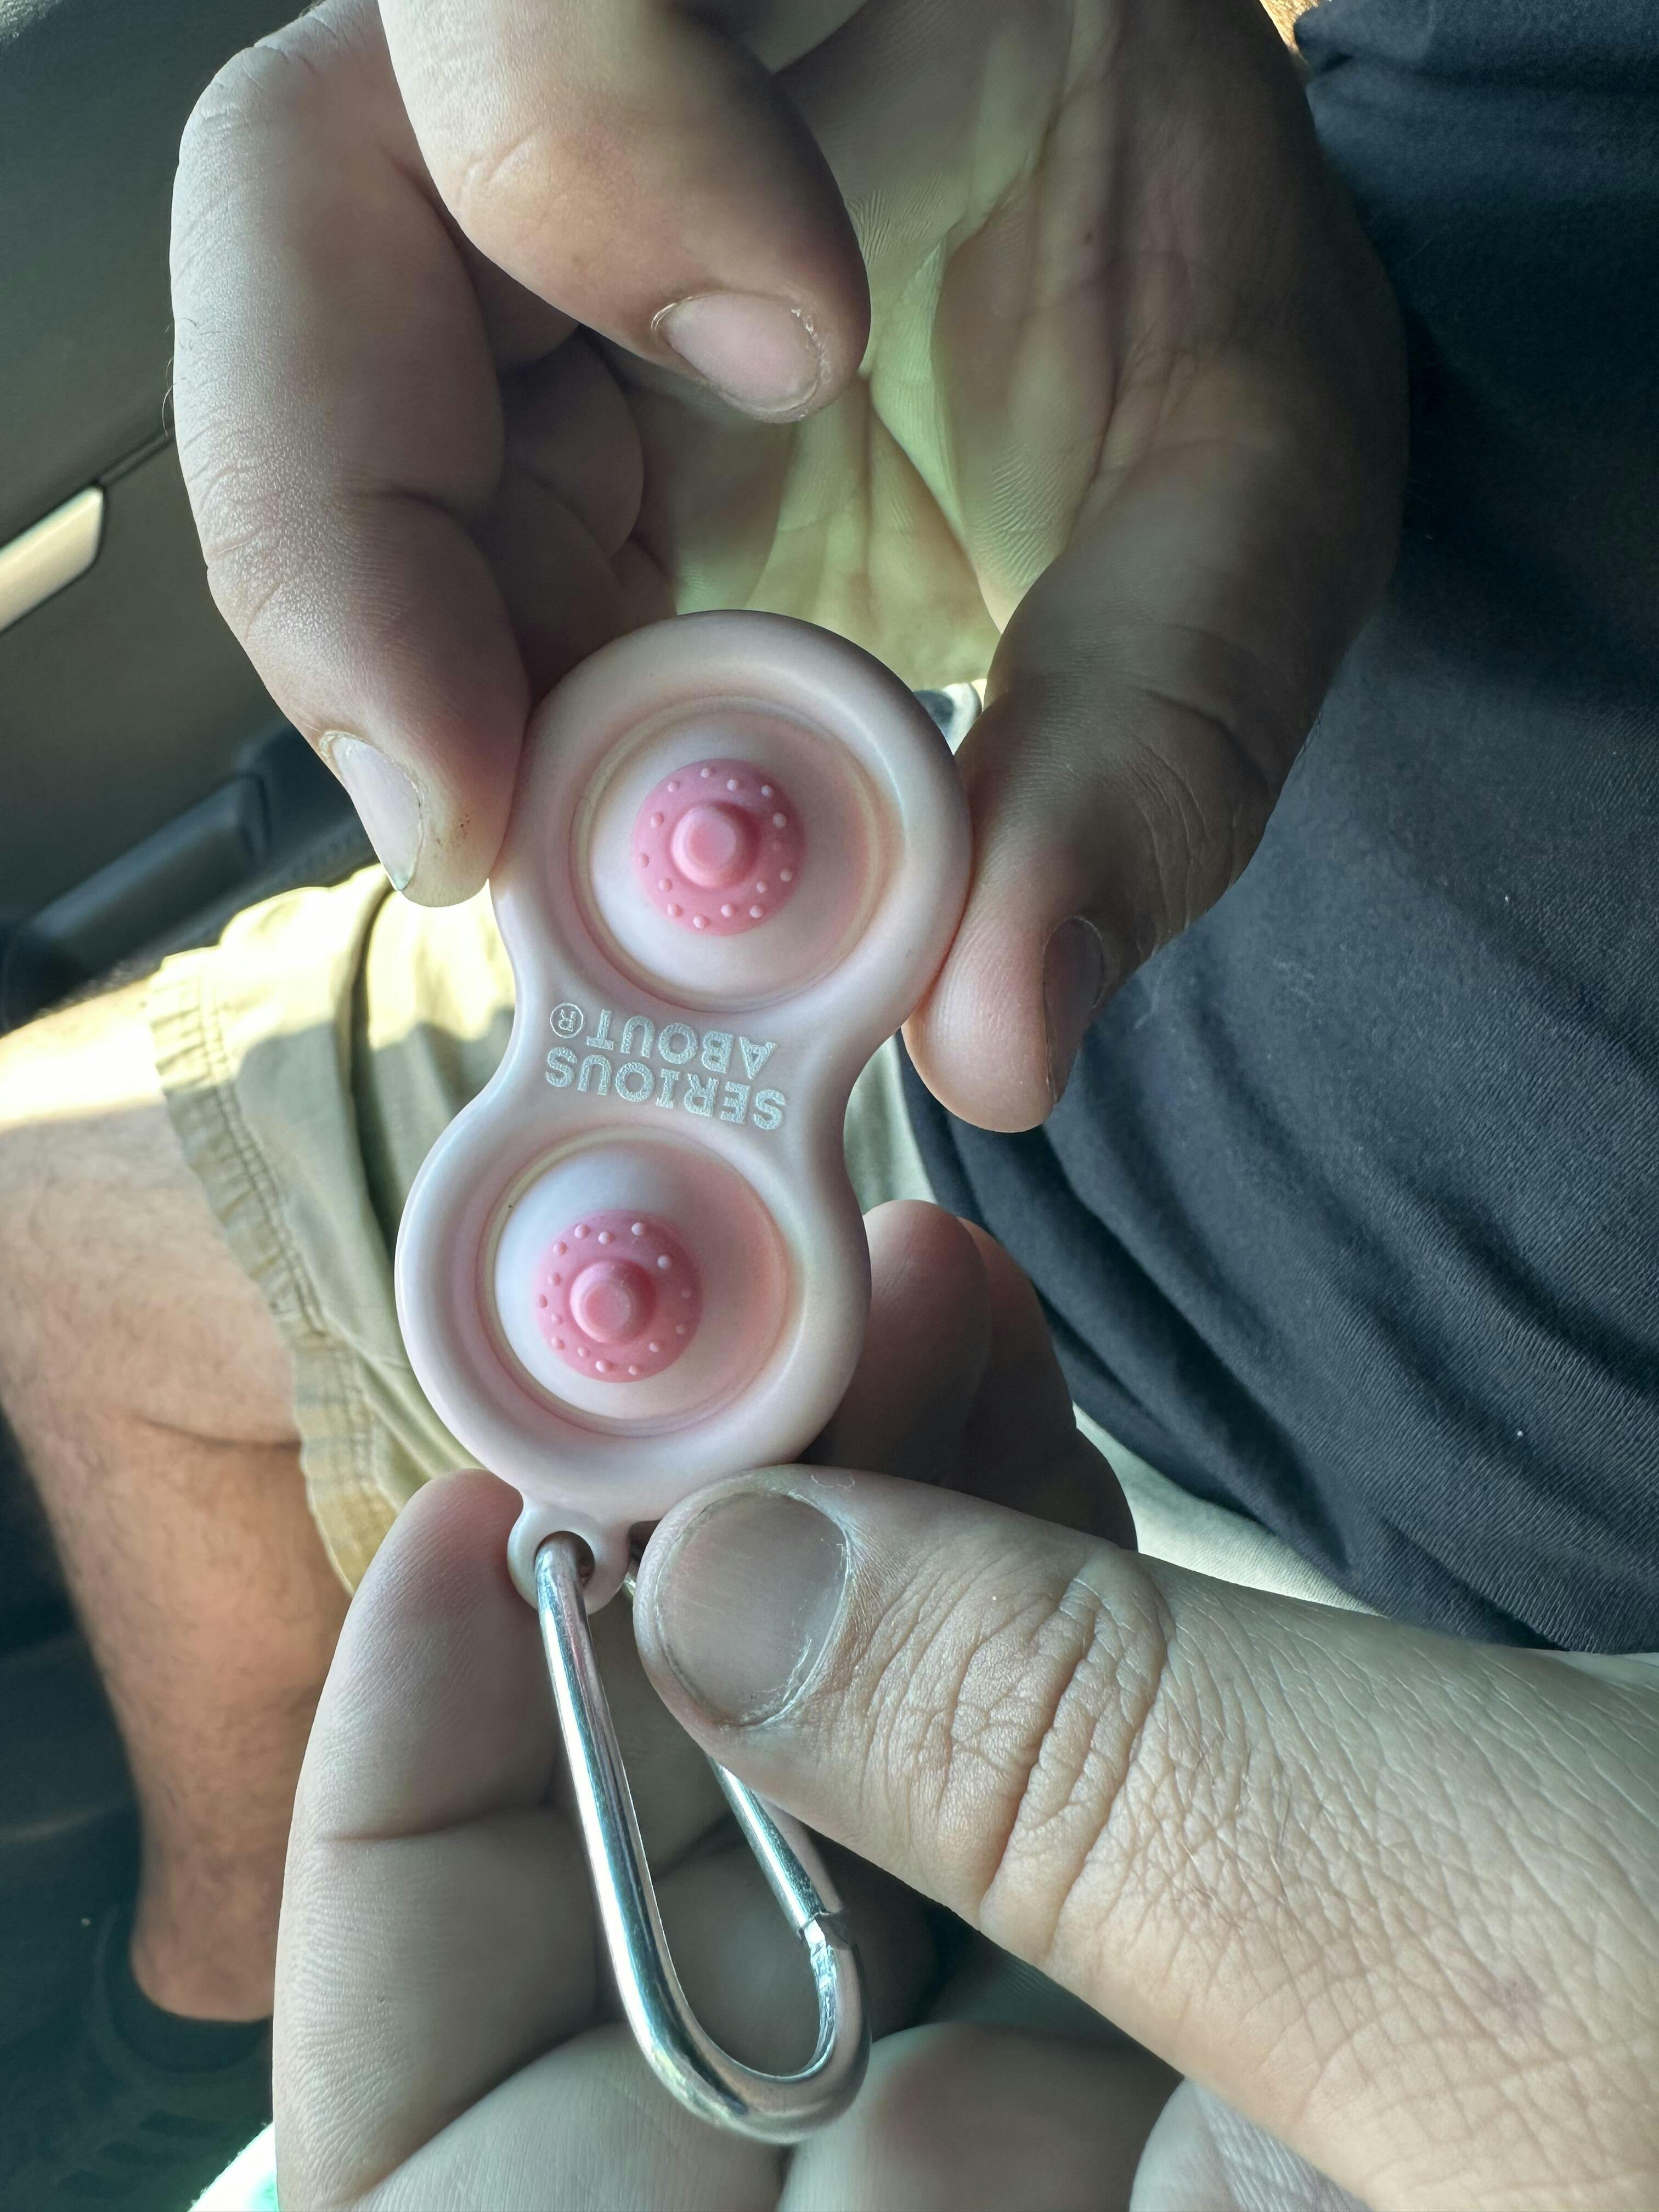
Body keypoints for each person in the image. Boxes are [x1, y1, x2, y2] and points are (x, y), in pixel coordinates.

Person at [0, 0, 1655, 2203]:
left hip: (1421, 1571)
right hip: (969, 1055)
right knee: (41, 1210)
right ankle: (204, 2004)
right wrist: (1222, 198)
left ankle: (197, 2029)